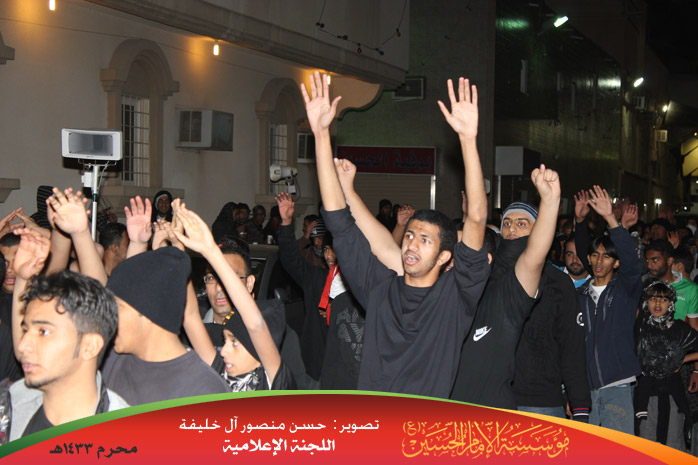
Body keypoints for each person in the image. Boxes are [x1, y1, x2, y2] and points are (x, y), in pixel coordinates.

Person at [302, 72, 490, 397]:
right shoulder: (380, 288)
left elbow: (476, 218)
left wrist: (468, 140)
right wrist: (320, 134)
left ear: (445, 256)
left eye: (425, 239)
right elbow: (339, 222)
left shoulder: (456, 297)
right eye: (410, 235)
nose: (412, 243)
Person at [8, 228, 128, 441]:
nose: (23, 345)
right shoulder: (10, 409)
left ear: (89, 346)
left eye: (44, 332)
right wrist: (23, 279)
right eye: (26, 330)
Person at [174, 201, 295, 391]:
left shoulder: (272, 382)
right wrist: (176, 247)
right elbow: (190, 317)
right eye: (227, 340)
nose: (224, 351)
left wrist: (210, 251)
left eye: (235, 342)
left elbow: (256, 325)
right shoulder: (221, 372)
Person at [276, 192, 364, 388]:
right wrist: (287, 223)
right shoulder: (317, 279)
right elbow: (291, 259)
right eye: (326, 250)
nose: (330, 256)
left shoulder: (360, 284)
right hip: (316, 369)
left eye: (334, 250)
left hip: (349, 374)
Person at [574, 186, 642, 434]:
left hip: (617, 385)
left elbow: (633, 264)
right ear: (588, 259)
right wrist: (580, 221)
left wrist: (611, 219)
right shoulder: (579, 295)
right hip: (584, 387)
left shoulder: (626, 290)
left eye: (606, 257)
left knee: (618, 449)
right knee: (584, 449)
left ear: (616, 262)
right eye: (595, 256)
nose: (599, 261)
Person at [634, 280, 698, 449]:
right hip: (646, 394)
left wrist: (684, 359)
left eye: (663, 300)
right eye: (653, 299)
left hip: (672, 392)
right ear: (646, 302)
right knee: (646, 444)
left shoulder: (680, 329)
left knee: (673, 442)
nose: (657, 304)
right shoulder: (640, 328)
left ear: (671, 303)